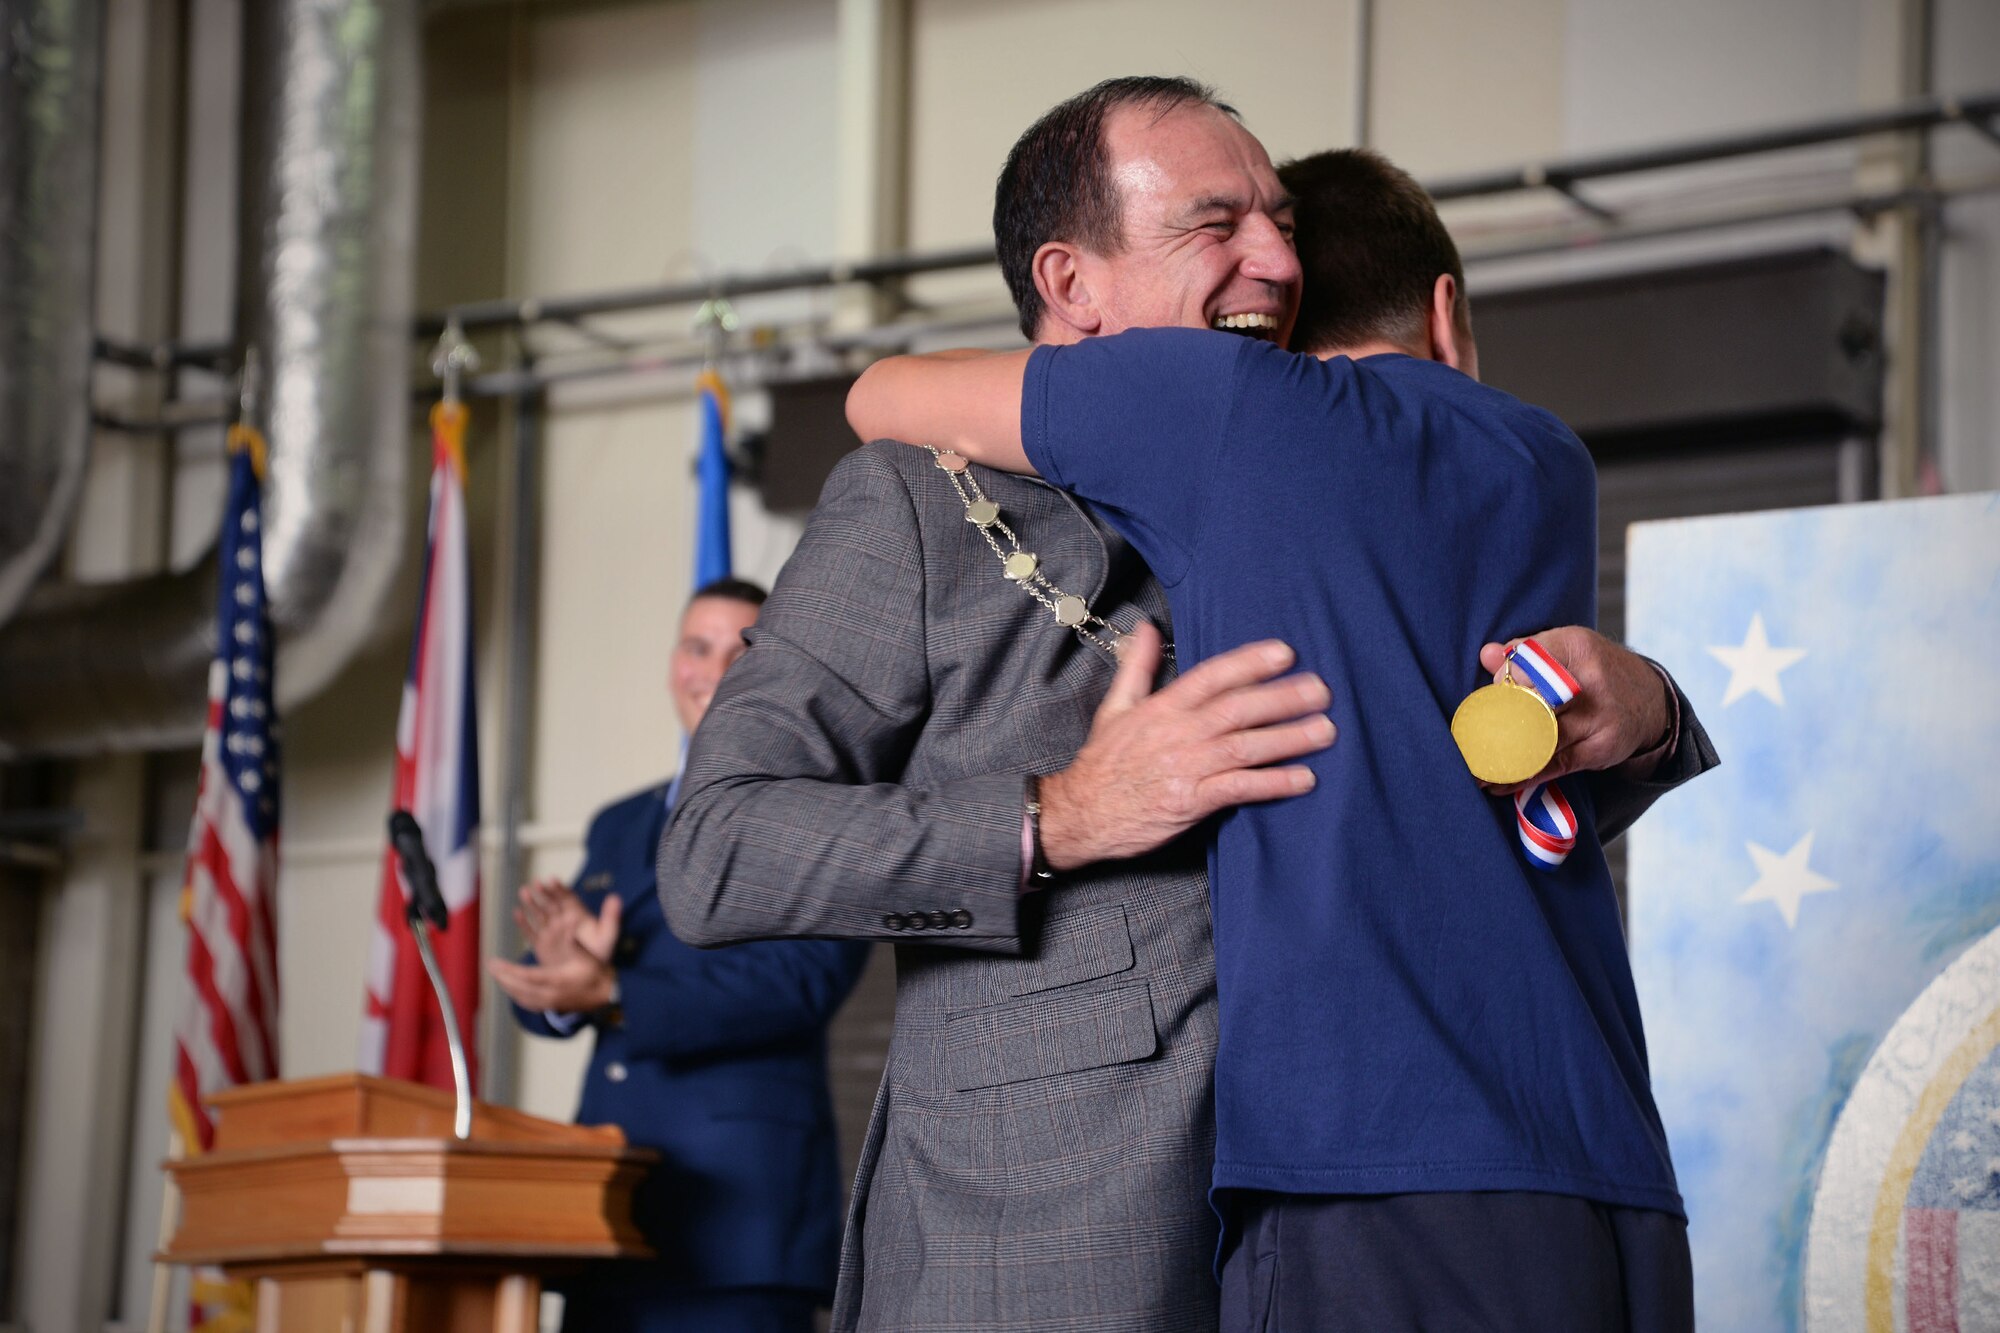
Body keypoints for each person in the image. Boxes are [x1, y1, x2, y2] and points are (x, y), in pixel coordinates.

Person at [663, 78, 1715, 1332]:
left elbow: (1443, 829)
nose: (1277, 258)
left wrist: (1645, 707)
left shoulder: (1321, 459)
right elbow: (716, 850)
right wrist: (1059, 815)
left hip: (1365, 1227)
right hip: (1046, 1253)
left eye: (1280, 220)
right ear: (1071, 284)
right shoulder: (916, 502)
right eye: (1215, 227)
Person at [489, 577, 870, 1333]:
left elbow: (800, 983)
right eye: (698, 647)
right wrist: (563, 974)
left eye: (742, 650)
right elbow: (574, 991)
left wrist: (613, 990)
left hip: (740, 1228)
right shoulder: (620, 821)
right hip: (606, 1211)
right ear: (674, 663)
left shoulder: (827, 808)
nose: (713, 669)